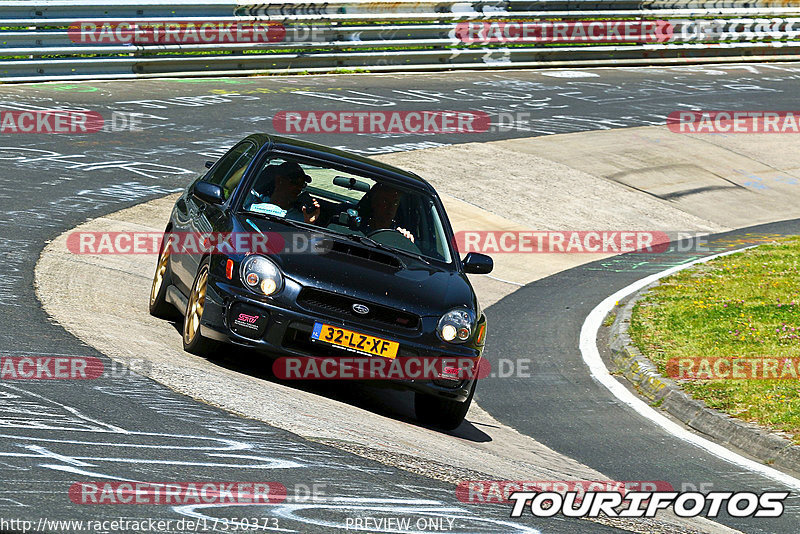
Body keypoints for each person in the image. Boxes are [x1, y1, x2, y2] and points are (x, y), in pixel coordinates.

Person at [248, 161, 320, 224]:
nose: (299, 188)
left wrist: (308, 224)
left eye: (302, 185)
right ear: (279, 180)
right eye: (295, 183)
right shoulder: (252, 201)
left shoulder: (301, 218)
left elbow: (299, 238)